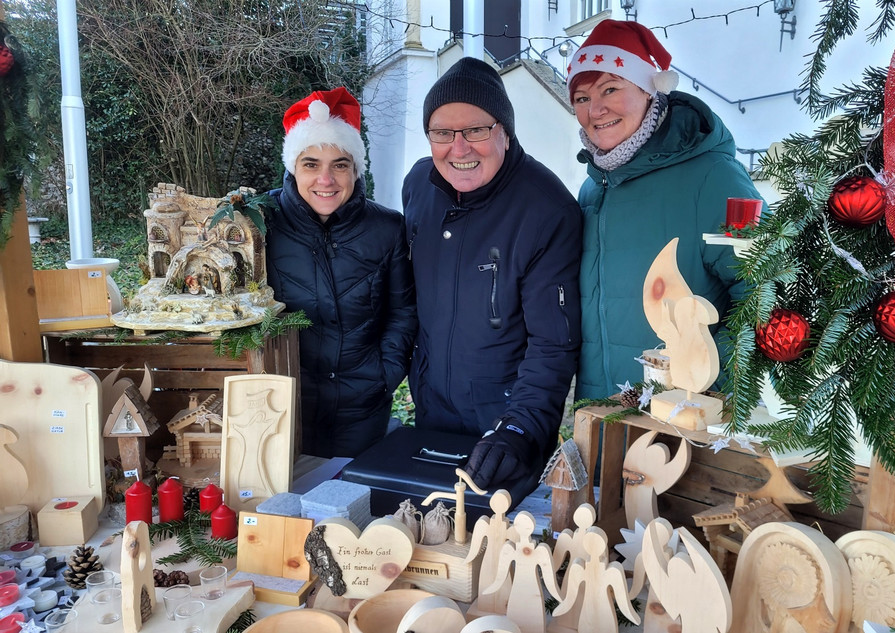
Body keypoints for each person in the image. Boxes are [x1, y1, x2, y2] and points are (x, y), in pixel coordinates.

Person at [402, 58, 582, 490]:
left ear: (504, 130)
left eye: (476, 130)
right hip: (431, 415)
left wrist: (519, 431)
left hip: (504, 429)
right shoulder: (419, 186)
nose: (458, 148)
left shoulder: (546, 210)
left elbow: (553, 345)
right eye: (443, 133)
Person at [567, 20, 764, 400]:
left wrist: (703, 380)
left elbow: (765, 290)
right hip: (603, 415)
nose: (596, 109)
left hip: (687, 419)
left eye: (611, 88)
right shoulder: (591, 192)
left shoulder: (714, 178)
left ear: (649, 90)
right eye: (581, 98)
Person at [265, 87, 417, 458]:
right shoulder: (261, 224)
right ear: (293, 167)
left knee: (356, 507)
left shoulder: (387, 229)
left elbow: (403, 312)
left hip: (362, 407)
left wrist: (383, 376)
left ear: (355, 169)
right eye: (311, 164)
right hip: (283, 406)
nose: (326, 179)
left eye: (340, 164)